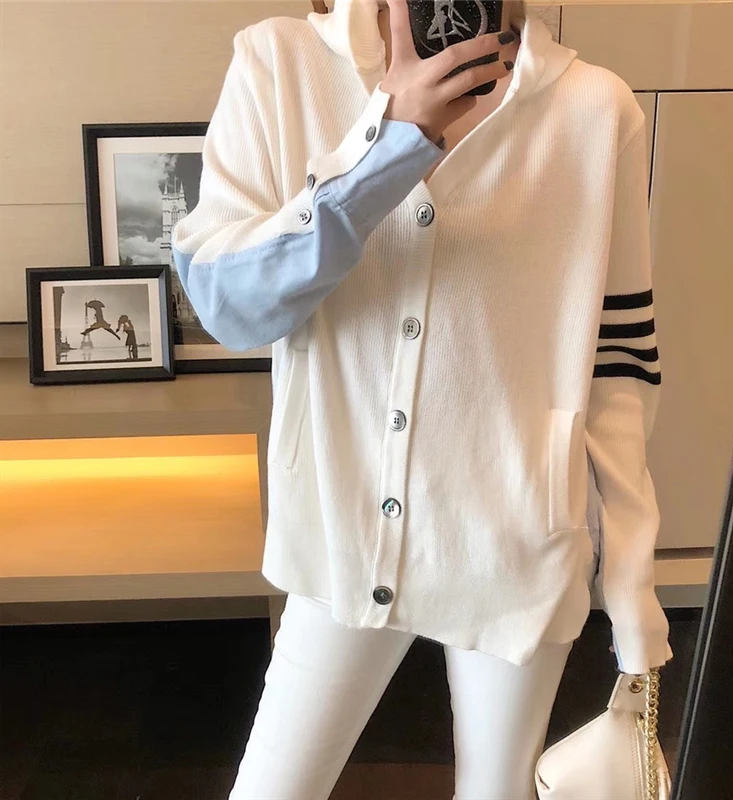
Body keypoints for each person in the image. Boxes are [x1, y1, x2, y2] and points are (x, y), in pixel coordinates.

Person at [172, 1, 674, 797]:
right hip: (342, 533)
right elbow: (229, 306)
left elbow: (619, 364)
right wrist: (388, 145)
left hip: (515, 540)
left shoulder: (594, 108)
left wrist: (633, 587)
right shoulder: (279, 65)